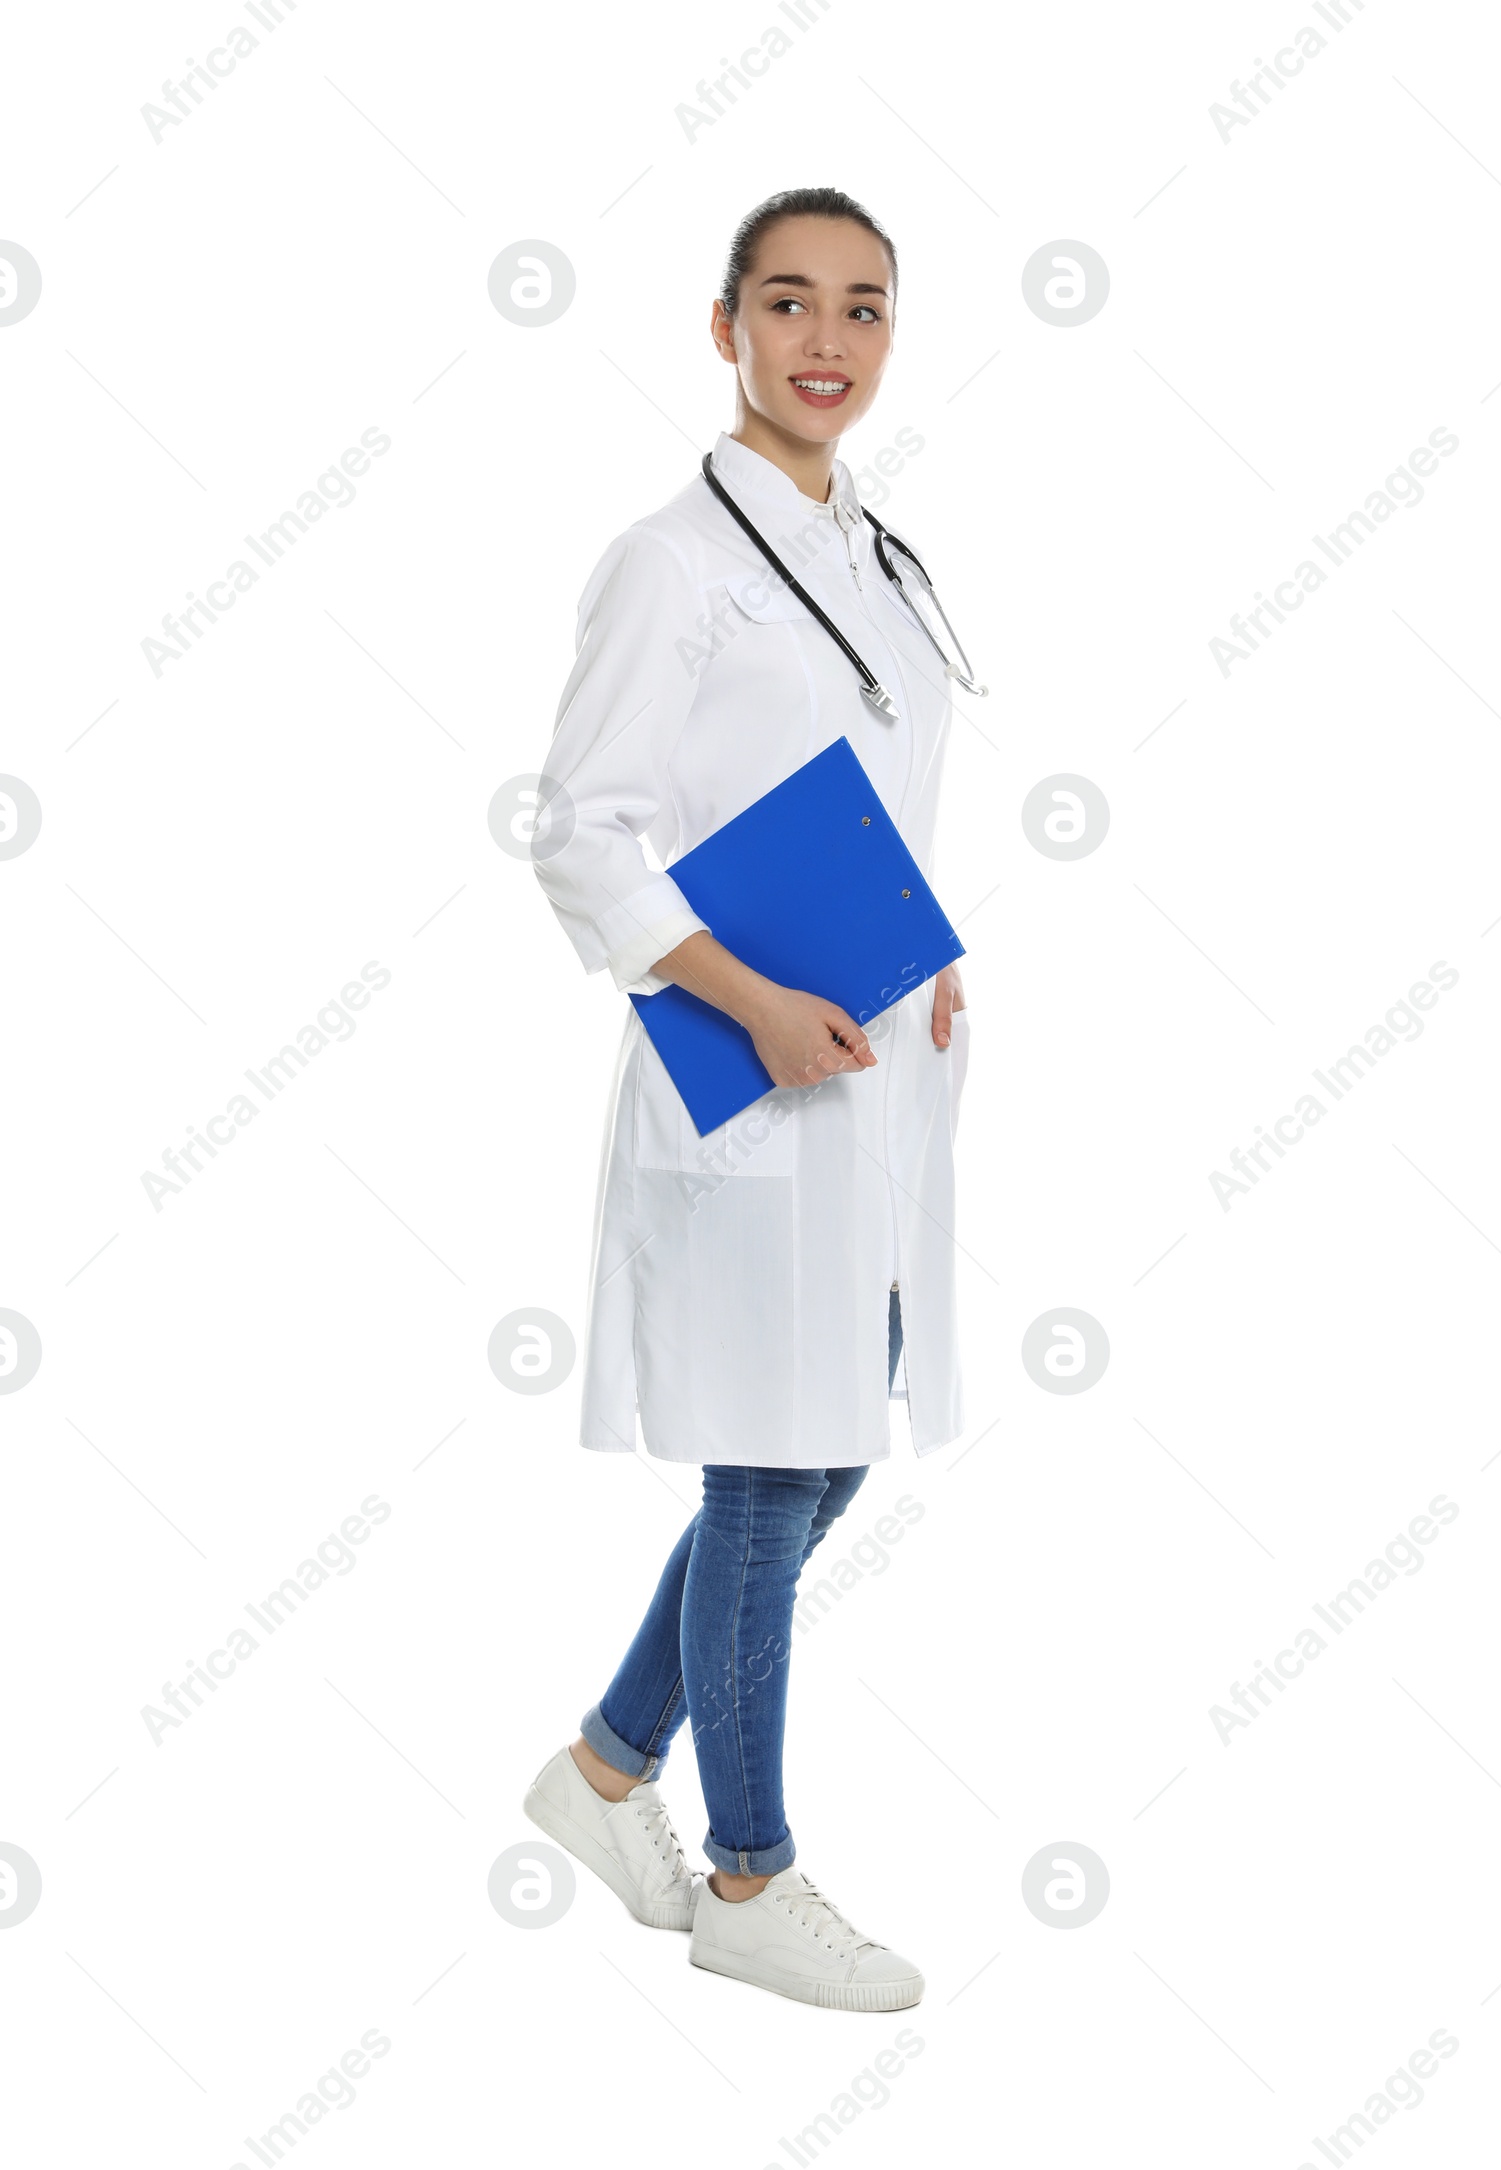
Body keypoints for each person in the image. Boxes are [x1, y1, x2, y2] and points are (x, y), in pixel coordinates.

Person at [523, 186, 972, 2010]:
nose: (826, 341)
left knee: (821, 1451)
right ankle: (748, 1873)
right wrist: (750, 996)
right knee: (770, 1469)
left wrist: (921, 950)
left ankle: (608, 1767)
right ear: (724, 328)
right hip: (747, 1070)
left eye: (863, 309)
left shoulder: (878, 553)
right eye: (787, 303)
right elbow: (583, 831)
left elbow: (856, 787)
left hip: (869, 1065)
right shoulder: (673, 558)